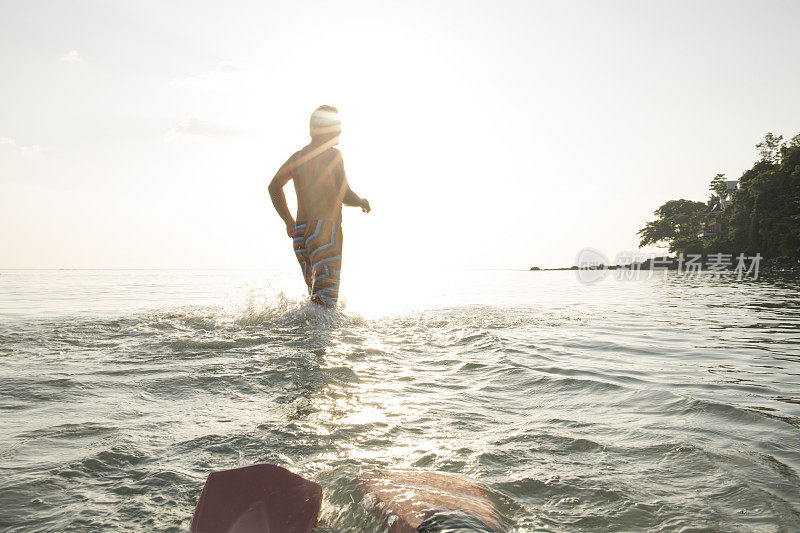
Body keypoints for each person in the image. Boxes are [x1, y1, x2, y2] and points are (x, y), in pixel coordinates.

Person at [268, 105, 370, 307]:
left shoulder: (298, 157)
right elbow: (345, 195)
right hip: (325, 231)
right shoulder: (333, 156)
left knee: (315, 299)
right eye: (337, 125)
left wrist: (289, 222)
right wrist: (361, 201)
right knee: (326, 302)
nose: (340, 130)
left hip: (301, 233)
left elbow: (273, 186)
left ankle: (303, 335)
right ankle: (320, 339)